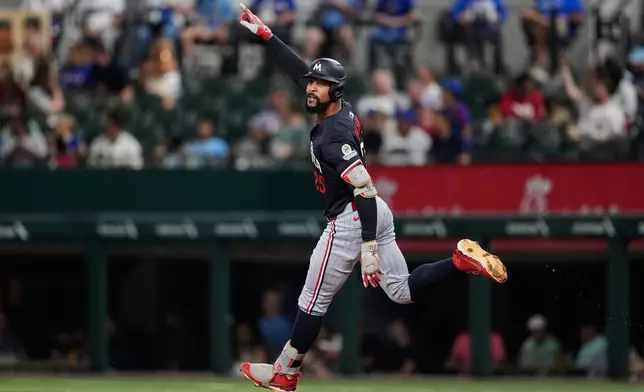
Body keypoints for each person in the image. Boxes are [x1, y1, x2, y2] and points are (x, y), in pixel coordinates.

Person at [237, 4, 508, 391]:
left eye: (319, 84)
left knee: (312, 301)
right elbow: (298, 70)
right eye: (311, 82)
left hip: (353, 217)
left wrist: (367, 245)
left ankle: (286, 372)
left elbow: (364, 188)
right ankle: (460, 261)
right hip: (375, 214)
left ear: (335, 91)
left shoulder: (334, 137)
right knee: (400, 292)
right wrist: (266, 35)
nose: (311, 87)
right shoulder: (339, 108)